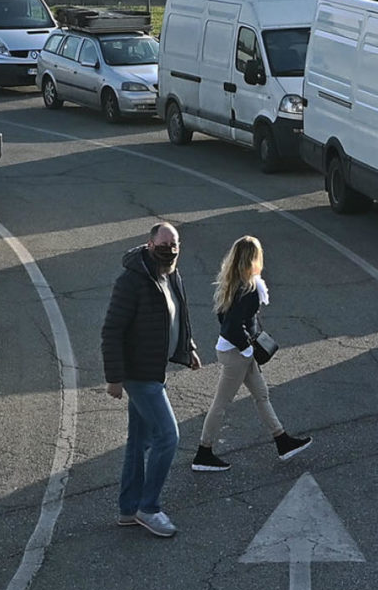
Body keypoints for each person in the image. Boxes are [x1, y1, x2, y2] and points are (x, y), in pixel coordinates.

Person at [100, 221, 200, 537]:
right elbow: (112, 331)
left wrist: (188, 348)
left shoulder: (171, 274)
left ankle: (129, 509)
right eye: (163, 246)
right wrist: (114, 378)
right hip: (139, 374)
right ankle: (149, 508)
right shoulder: (131, 281)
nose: (169, 252)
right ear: (149, 244)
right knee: (168, 437)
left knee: (139, 442)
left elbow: (178, 315)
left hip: (155, 369)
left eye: (173, 246)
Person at [191, 234, 310, 473]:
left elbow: (223, 318)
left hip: (235, 351)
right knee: (221, 403)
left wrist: (247, 347)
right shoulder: (249, 289)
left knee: (262, 395)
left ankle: (282, 441)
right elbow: (232, 326)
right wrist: (248, 348)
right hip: (237, 354)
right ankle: (203, 453)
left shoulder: (234, 283)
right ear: (254, 259)